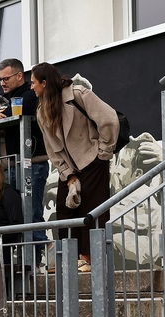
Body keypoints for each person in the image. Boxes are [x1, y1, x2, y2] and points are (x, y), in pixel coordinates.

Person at [32, 62, 119, 272]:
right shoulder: (42, 110)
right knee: (64, 210)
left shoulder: (78, 94)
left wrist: (102, 154)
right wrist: (67, 173)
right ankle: (68, 260)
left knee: (92, 211)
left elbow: (109, 119)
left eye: (34, 83)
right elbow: (52, 149)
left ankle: (88, 259)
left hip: (93, 161)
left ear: (44, 83)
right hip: (69, 167)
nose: (32, 87)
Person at [0, 58, 49, 254]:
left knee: (31, 213)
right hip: (6, 168)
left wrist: (0, 113)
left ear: (19, 76)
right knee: (11, 215)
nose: (2, 83)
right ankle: (26, 258)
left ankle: (40, 255)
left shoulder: (31, 93)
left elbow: (24, 107)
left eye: (6, 78)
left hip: (32, 164)